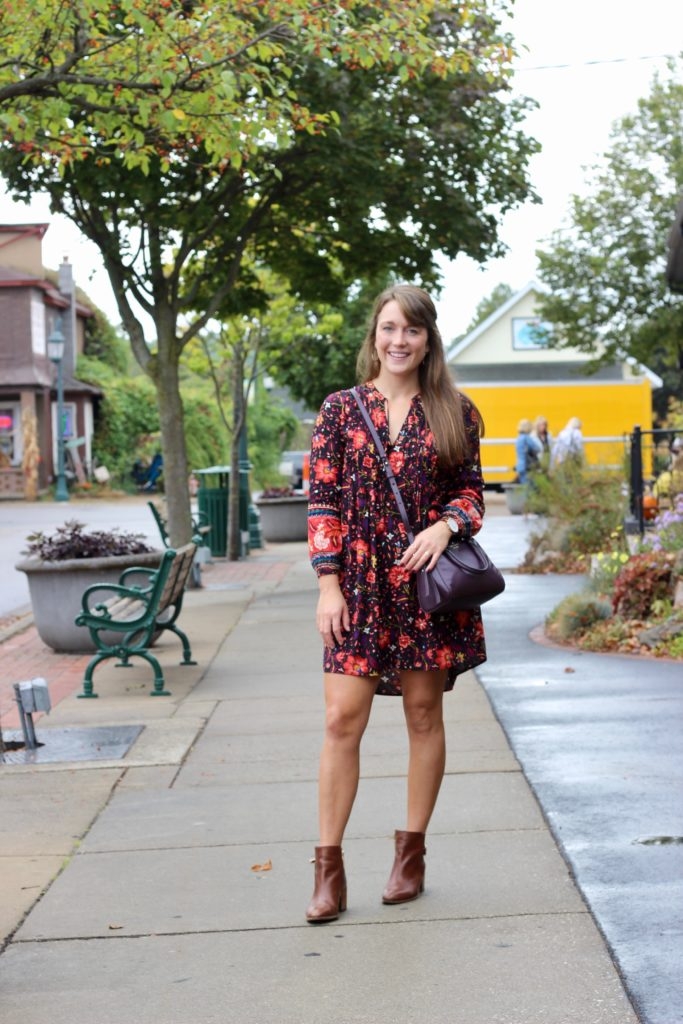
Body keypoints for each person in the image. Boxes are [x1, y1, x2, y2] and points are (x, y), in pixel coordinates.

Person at [306, 284, 486, 924]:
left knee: (421, 714)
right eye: (388, 329)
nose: (399, 340)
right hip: (354, 586)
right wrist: (328, 582)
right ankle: (328, 870)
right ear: (374, 336)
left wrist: (446, 528)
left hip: (424, 586)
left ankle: (410, 856)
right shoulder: (339, 410)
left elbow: (471, 494)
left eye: (411, 330)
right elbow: (322, 502)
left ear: (428, 338)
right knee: (340, 721)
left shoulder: (455, 411)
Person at [514, 418, 543, 484]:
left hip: (520, 465)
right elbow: (537, 448)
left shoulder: (519, 437)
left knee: (524, 485)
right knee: (530, 487)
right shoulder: (526, 438)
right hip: (527, 466)